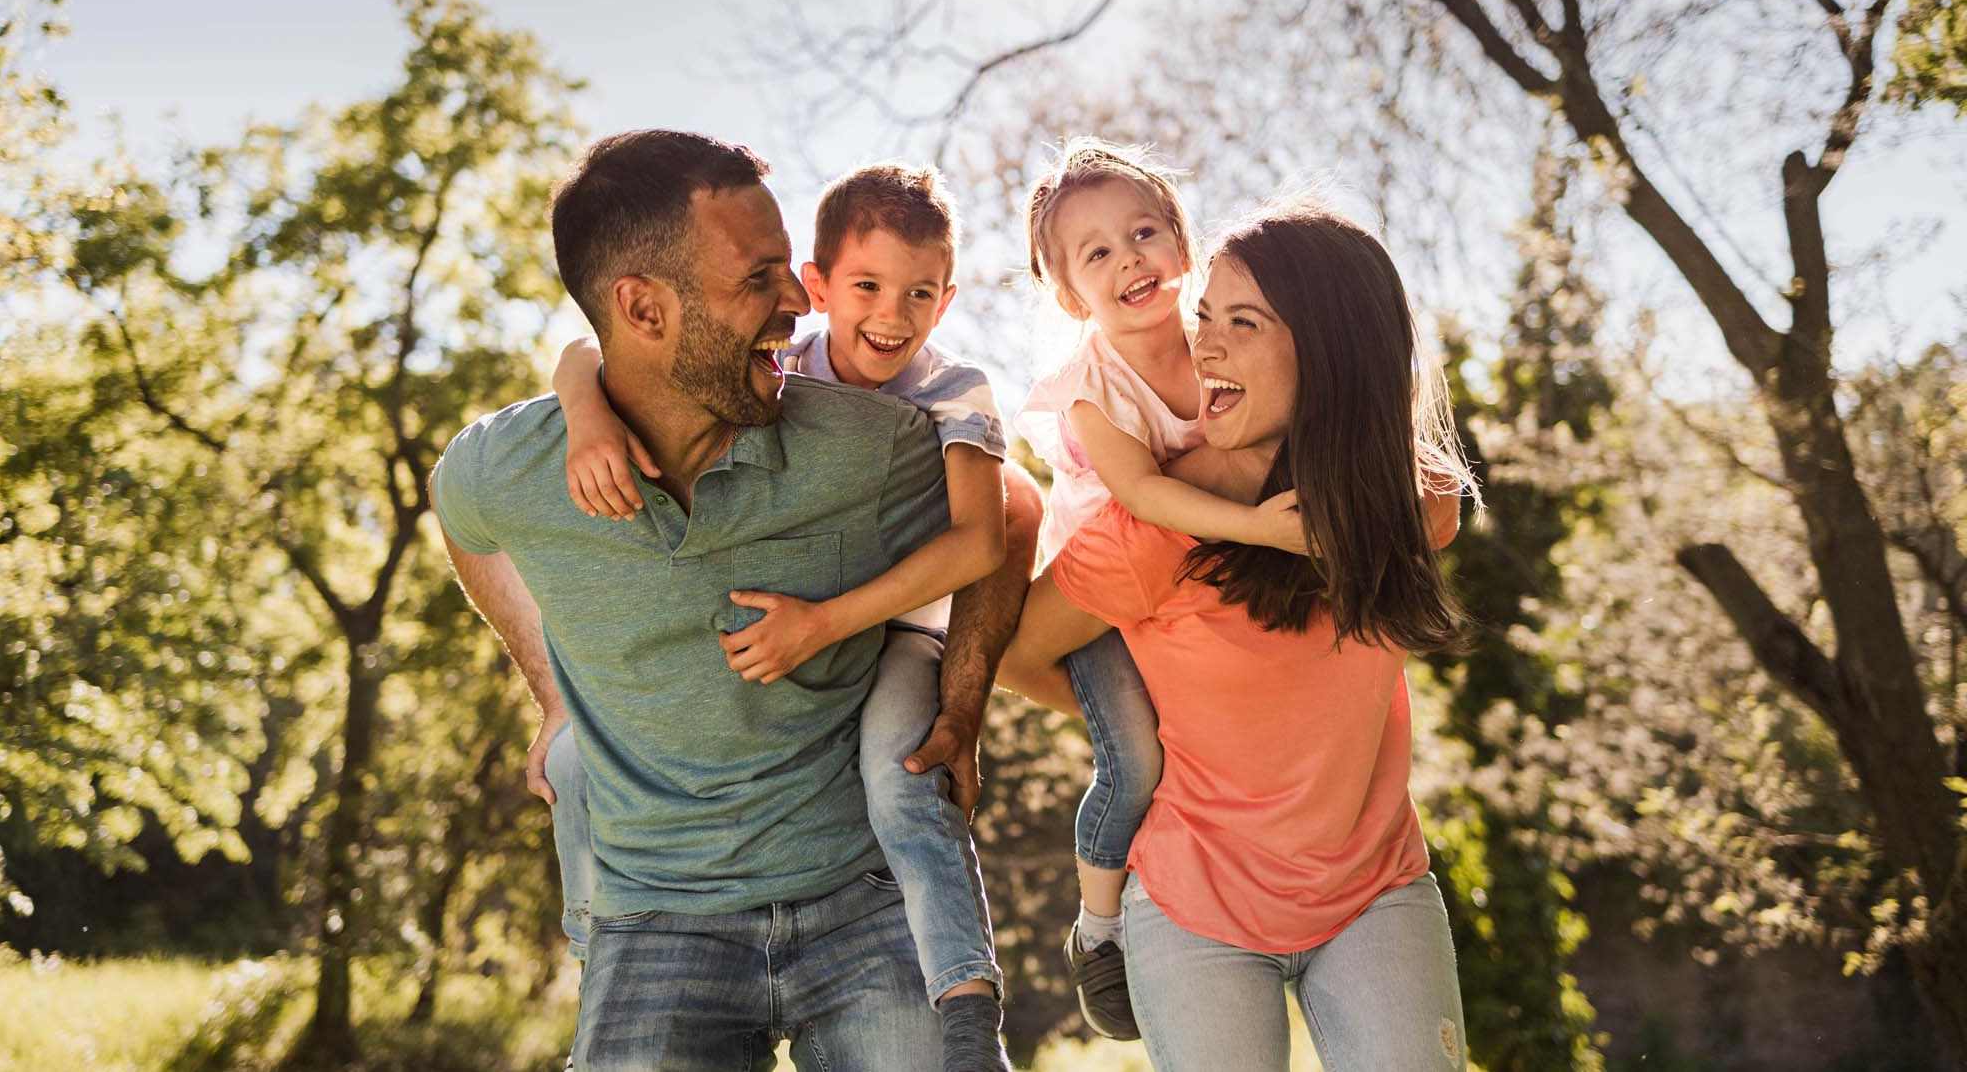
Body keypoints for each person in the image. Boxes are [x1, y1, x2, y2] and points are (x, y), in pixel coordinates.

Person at [431, 129, 1031, 1072]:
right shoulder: (510, 468)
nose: (799, 300)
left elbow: (1014, 517)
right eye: (760, 279)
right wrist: (553, 691)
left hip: (857, 894)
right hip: (653, 918)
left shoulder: (867, 441)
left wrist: (963, 699)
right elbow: (461, 522)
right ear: (641, 308)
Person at [998, 198, 1477, 1070]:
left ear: (1328, 349)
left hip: (1376, 892)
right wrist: (1145, 739)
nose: (1203, 345)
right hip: (1194, 909)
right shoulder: (1151, 532)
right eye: (1204, 316)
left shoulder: (1412, 506)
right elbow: (1019, 653)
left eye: (1241, 322)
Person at [1013, 138, 1310, 1039]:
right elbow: (1142, 496)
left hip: (1186, 580)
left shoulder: (1219, 339)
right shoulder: (1090, 388)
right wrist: (1263, 525)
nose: (1129, 258)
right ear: (1070, 295)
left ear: (1183, 247)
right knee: (1135, 758)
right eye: (1096, 253)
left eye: (1145, 232)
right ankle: (1099, 927)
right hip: (1099, 597)